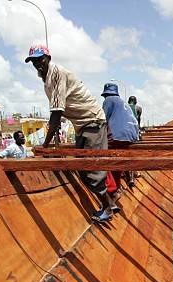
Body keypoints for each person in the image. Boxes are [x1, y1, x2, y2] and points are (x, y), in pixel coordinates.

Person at [25, 44, 113, 223]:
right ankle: (110, 203)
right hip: (83, 125)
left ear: (48, 58)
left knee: (92, 170)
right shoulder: (47, 79)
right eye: (34, 62)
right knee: (81, 166)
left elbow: (56, 113)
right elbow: (59, 111)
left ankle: (108, 208)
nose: (38, 65)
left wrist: (45, 144)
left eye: (40, 60)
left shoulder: (57, 74)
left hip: (92, 122)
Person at [102, 83, 139, 201]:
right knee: (117, 161)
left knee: (102, 158)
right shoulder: (123, 103)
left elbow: (103, 119)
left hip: (118, 135)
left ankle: (112, 189)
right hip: (131, 136)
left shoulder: (108, 100)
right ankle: (117, 186)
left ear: (106, 94)